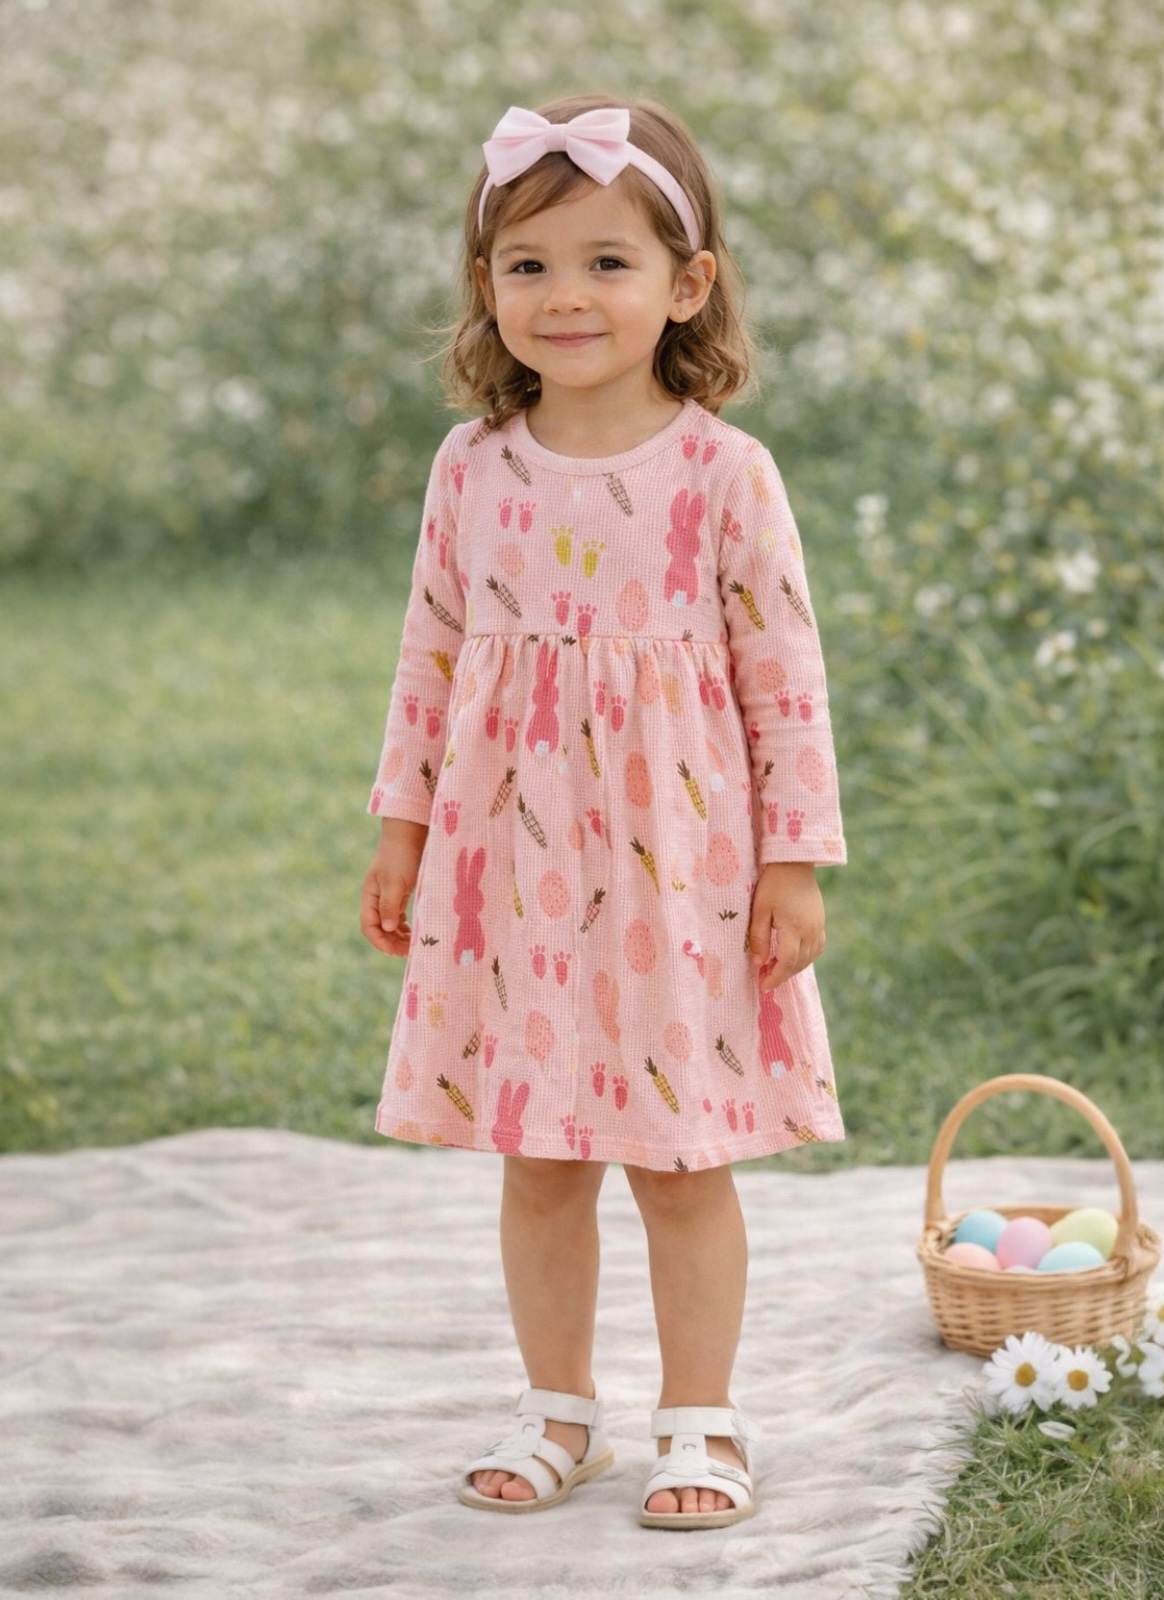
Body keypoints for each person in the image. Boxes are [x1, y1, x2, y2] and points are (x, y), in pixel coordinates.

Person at [360, 94, 847, 1530]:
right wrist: (401, 829)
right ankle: (558, 1405)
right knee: (542, 1150)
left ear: (686, 283)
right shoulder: (472, 469)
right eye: (529, 265)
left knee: (679, 1156)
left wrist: (796, 860)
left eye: (607, 263)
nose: (565, 296)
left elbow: (787, 676)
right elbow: (429, 652)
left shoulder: (722, 475)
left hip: (680, 864)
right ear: (487, 285)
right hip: (510, 856)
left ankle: (699, 1418)